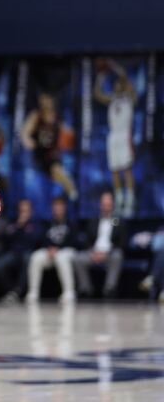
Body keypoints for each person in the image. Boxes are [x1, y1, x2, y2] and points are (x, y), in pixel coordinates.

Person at [94, 59, 137, 218]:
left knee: (127, 169)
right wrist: (100, 77)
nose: (118, 85)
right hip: (113, 137)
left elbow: (126, 78)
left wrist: (114, 66)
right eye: (116, 84)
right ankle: (119, 200)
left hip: (124, 134)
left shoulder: (130, 98)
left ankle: (130, 200)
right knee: (115, 170)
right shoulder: (112, 99)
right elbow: (98, 94)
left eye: (120, 84)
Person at [21, 93, 78, 201]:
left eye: (48, 98)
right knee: (44, 183)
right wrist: (27, 140)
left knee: (57, 170)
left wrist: (70, 135)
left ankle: (72, 193)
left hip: (52, 153)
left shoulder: (57, 116)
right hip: (39, 153)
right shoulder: (37, 115)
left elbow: (66, 132)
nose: (46, 101)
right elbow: (25, 132)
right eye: (44, 98)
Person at [73, 191, 126, 298]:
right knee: (78, 258)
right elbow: (87, 241)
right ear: (100, 205)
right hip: (94, 252)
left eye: (109, 204)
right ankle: (85, 289)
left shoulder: (117, 221)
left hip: (110, 253)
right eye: (104, 204)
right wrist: (93, 252)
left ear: (113, 205)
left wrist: (107, 253)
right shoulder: (94, 221)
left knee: (118, 256)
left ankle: (109, 289)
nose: (106, 207)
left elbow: (122, 242)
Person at [25, 197, 78, 304]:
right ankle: (33, 292)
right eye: (55, 207)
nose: (58, 209)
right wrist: (50, 248)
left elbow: (74, 241)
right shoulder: (47, 223)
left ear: (65, 208)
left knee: (62, 258)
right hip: (50, 251)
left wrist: (59, 248)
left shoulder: (71, 223)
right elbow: (42, 239)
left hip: (66, 251)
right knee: (36, 257)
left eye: (60, 207)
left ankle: (69, 292)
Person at [0, 199, 42, 303]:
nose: (24, 213)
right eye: (21, 211)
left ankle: (18, 290)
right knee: (0, 264)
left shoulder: (35, 225)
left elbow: (36, 240)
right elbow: (8, 238)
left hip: (28, 252)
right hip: (14, 253)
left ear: (31, 212)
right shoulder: (14, 223)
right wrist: (19, 226)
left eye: (26, 211)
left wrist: (25, 227)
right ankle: (10, 290)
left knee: (27, 259)